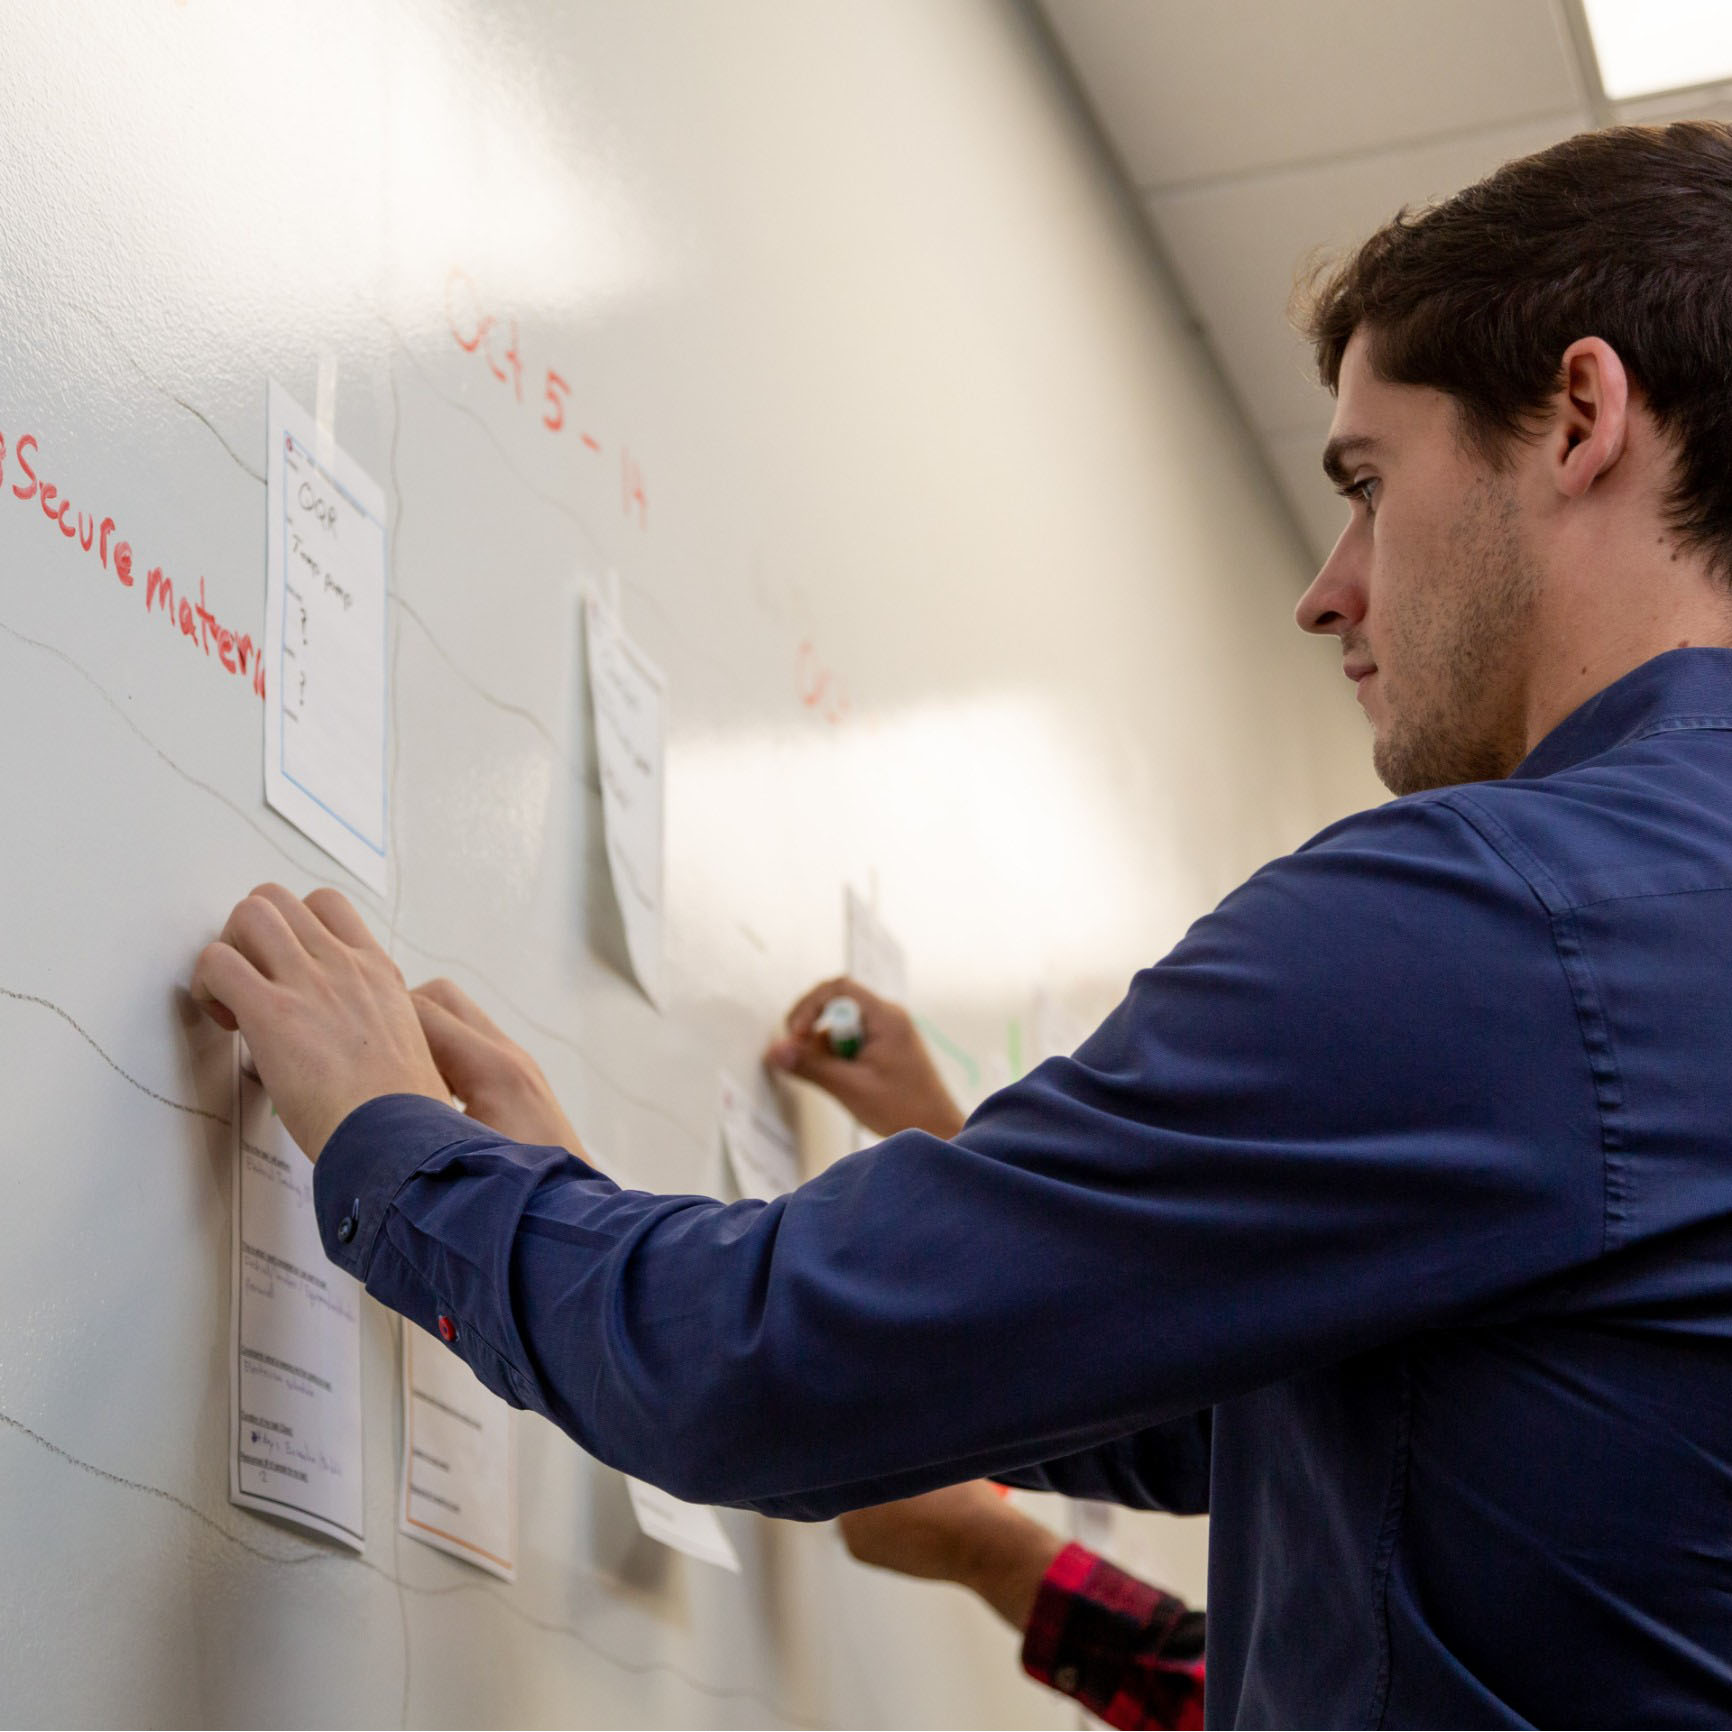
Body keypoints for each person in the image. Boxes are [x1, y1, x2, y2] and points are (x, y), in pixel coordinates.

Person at [192, 123, 1732, 1725]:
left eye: (1367, 483)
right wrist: (936, 1176)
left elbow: (757, 1372)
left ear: (1580, 418)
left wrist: (393, 1145)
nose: (1328, 588)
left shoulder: (1503, 922)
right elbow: (1250, 1398)